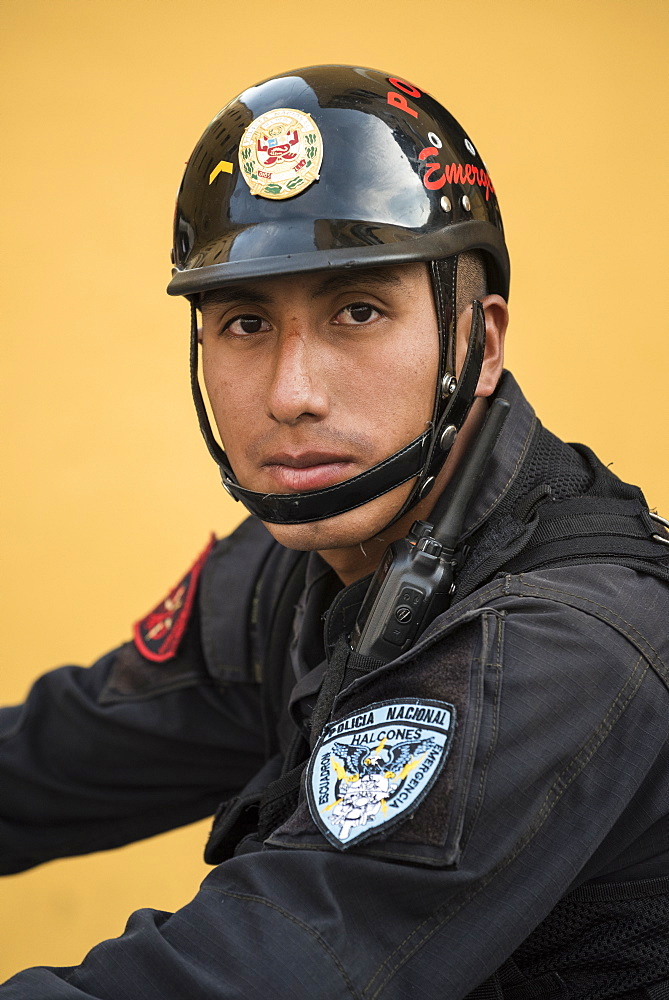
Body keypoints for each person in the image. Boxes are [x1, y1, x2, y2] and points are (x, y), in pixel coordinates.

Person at [1, 64, 668, 1000]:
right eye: (243, 323)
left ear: (480, 341)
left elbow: (255, 975)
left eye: (356, 311)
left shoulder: (563, 642)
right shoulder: (306, 565)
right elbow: (45, 765)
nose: (290, 394)